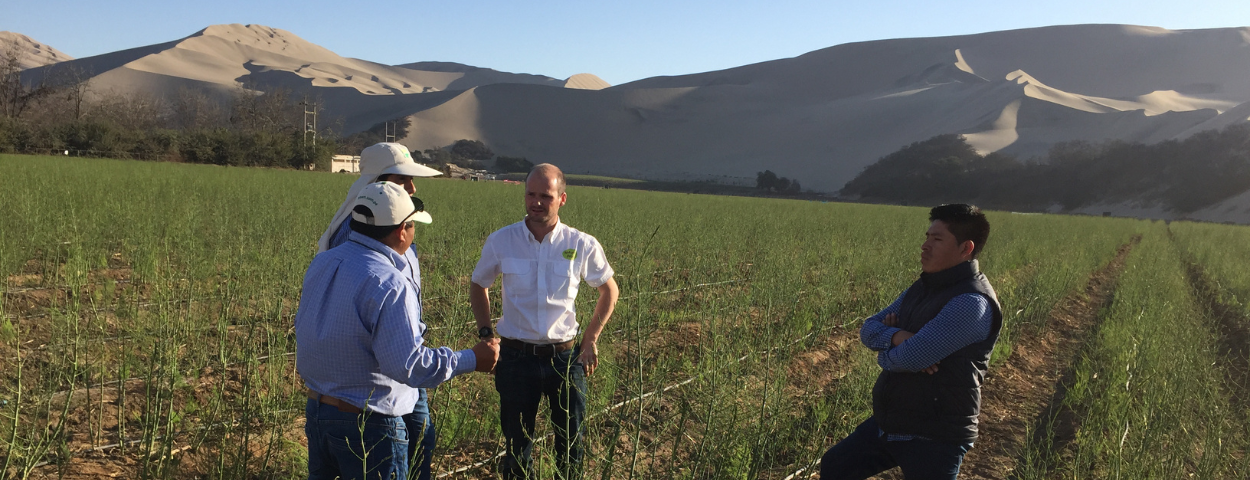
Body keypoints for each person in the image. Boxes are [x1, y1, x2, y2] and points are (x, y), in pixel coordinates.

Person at [297, 182, 500, 480]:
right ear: (402, 231)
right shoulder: (390, 282)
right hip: (369, 428)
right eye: (413, 226)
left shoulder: (323, 262)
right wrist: (473, 359)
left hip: (318, 414)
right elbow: (411, 366)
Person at [820, 204, 1003, 480]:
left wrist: (888, 353)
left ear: (966, 248)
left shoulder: (971, 303)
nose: (925, 246)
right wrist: (897, 337)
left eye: (937, 239)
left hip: (936, 435)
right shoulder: (922, 287)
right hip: (892, 421)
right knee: (836, 466)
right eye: (927, 236)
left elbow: (909, 359)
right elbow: (868, 329)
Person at [469, 163, 620, 479]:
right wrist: (486, 334)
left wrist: (591, 338)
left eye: (546, 196)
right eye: (531, 194)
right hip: (515, 359)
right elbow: (478, 283)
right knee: (516, 447)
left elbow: (609, 290)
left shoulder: (581, 244)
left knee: (570, 445)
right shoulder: (502, 240)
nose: (536, 202)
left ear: (562, 199)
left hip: (566, 359)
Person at [314, 142, 444, 478]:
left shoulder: (391, 220)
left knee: (419, 443)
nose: (412, 189)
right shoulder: (355, 233)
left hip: (403, 365)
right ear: (377, 181)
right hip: (378, 382)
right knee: (399, 449)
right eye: (403, 180)